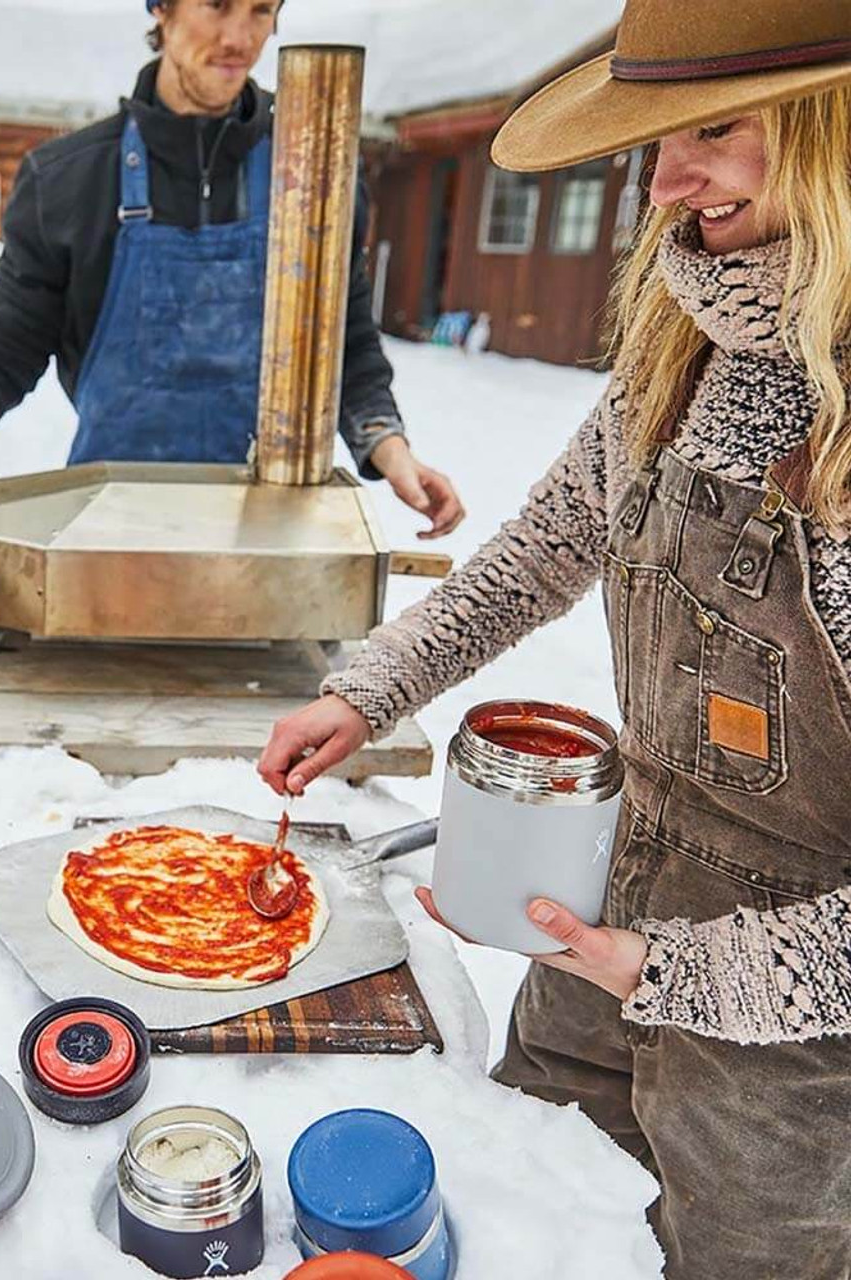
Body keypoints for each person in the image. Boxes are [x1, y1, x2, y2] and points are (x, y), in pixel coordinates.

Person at [260, 2, 851, 1274]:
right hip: (599, 918)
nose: (662, 183)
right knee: (515, 1196)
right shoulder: (684, 349)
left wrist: (676, 972)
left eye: (714, 130)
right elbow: (542, 547)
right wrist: (370, 689)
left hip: (791, 1054)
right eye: (652, 138)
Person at [0, 0, 464, 538]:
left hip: (276, 534)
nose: (241, 38)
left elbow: (345, 349)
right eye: (217, 5)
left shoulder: (314, 173)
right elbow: (5, 354)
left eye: (261, 10)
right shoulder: (69, 180)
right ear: (160, 10)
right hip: (111, 530)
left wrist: (391, 450)